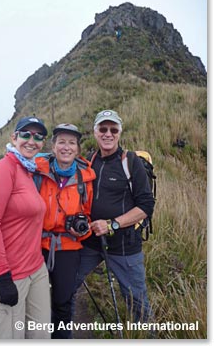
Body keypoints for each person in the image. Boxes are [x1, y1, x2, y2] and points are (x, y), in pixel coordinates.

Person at [74, 110, 155, 325]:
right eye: (103, 129)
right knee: (68, 284)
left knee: (137, 302)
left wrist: (112, 224)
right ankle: (62, 331)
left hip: (125, 244)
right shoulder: (89, 161)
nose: (107, 133)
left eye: (113, 129)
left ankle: (145, 337)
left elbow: (146, 205)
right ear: (95, 132)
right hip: (91, 242)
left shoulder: (131, 162)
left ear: (119, 132)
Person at [0, 116, 51, 339]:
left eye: (38, 137)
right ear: (14, 138)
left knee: (39, 336)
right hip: (5, 274)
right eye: (26, 134)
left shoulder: (27, 170)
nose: (32, 140)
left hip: (35, 270)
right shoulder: (3, 170)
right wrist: (3, 277)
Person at [35, 123, 96, 339]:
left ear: (78, 149)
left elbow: (88, 214)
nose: (66, 147)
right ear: (53, 146)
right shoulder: (37, 172)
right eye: (61, 141)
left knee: (62, 301)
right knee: (36, 304)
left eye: (72, 143)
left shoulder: (85, 179)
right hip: (36, 247)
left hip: (69, 248)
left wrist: (83, 228)